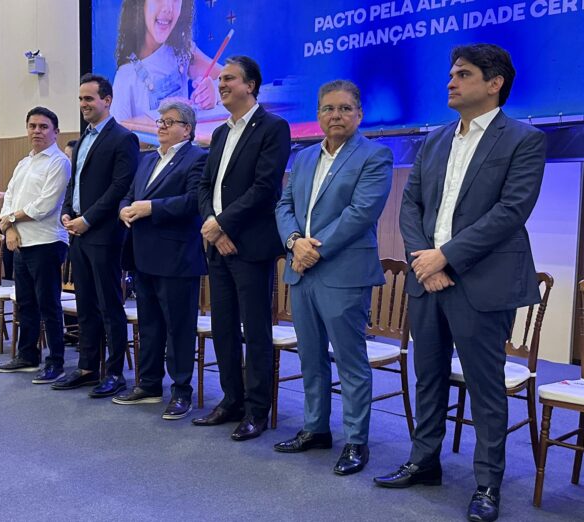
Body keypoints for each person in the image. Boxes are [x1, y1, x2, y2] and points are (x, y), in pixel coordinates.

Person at [373, 44, 547, 522]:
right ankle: (424, 461)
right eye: (451, 73)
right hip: (427, 279)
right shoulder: (435, 139)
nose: (450, 82)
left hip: (482, 282)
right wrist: (422, 260)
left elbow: (511, 211)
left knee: (484, 386)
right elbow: (410, 205)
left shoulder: (524, 139)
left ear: (495, 83)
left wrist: (445, 257)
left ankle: (487, 484)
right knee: (427, 376)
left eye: (463, 74)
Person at [274, 80, 393, 474]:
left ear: (359, 114)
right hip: (301, 270)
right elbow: (285, 205)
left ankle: (356, 441)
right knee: (310, 357)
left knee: (349, 360)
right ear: (318, 114)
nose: (336, 115)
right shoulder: (304, 156)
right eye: (328, 108)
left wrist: (314, 250)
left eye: (344, 108)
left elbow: (361, 213)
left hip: (342, 272)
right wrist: (294, 243)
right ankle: (315, 428)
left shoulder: (375, 155)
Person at [193, 55, 291, 440]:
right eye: (220, 79)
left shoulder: (273, 127)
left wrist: (222, 223)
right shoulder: (219, 133)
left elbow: (265, 188)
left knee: (256, 330)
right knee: (223, 328)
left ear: (250, 85)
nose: (221, 84)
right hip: (217, 245)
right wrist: (212, 226)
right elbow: (205, 186)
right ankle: (231, 400)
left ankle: (256, 410)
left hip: (250, 245)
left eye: (229, 78)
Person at [113, 100, 207, 419]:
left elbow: (193, 201)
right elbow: (129, 194)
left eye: (170, 121)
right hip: (143, 254)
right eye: (161, 121)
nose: (162, 126)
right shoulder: (147, 158)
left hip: (177, 256)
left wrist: (151, 208)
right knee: (149, 325)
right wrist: (124, 209)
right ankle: (149, 384)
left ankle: (181, 391)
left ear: (187, 129)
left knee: (179, 328)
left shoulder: (197, 158)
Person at [52, 74, 140, 397]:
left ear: (107, 100)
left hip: (104, 234)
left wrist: (87, 219)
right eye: (80, 99)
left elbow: (120, 187)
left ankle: (115, 372)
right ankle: (88, 367)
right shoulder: (83, 139)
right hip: (78, 233)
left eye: (89, 98)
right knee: (85, 303)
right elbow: (74, 183)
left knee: (109, 305)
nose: (83, 104)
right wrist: (67, 211)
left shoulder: (123, 138)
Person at [0, 107, 71, 383]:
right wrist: (10, 228)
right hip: (20, 243)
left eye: (43, 127)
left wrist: (10, 219)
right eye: (32, 126)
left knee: (49, 304)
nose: (37, 131)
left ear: (55, 132)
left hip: (47, 242)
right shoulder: (24, 163)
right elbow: (9, 198)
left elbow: (46, 205)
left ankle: (56, 362)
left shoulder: (59, 162)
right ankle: (27, 356)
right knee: (25, 303)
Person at [111, 0, 221, 122]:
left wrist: (214, 92)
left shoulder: (182, 51)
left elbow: (231, 81)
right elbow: (117, 133)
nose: (168, 8)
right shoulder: (125, 76)